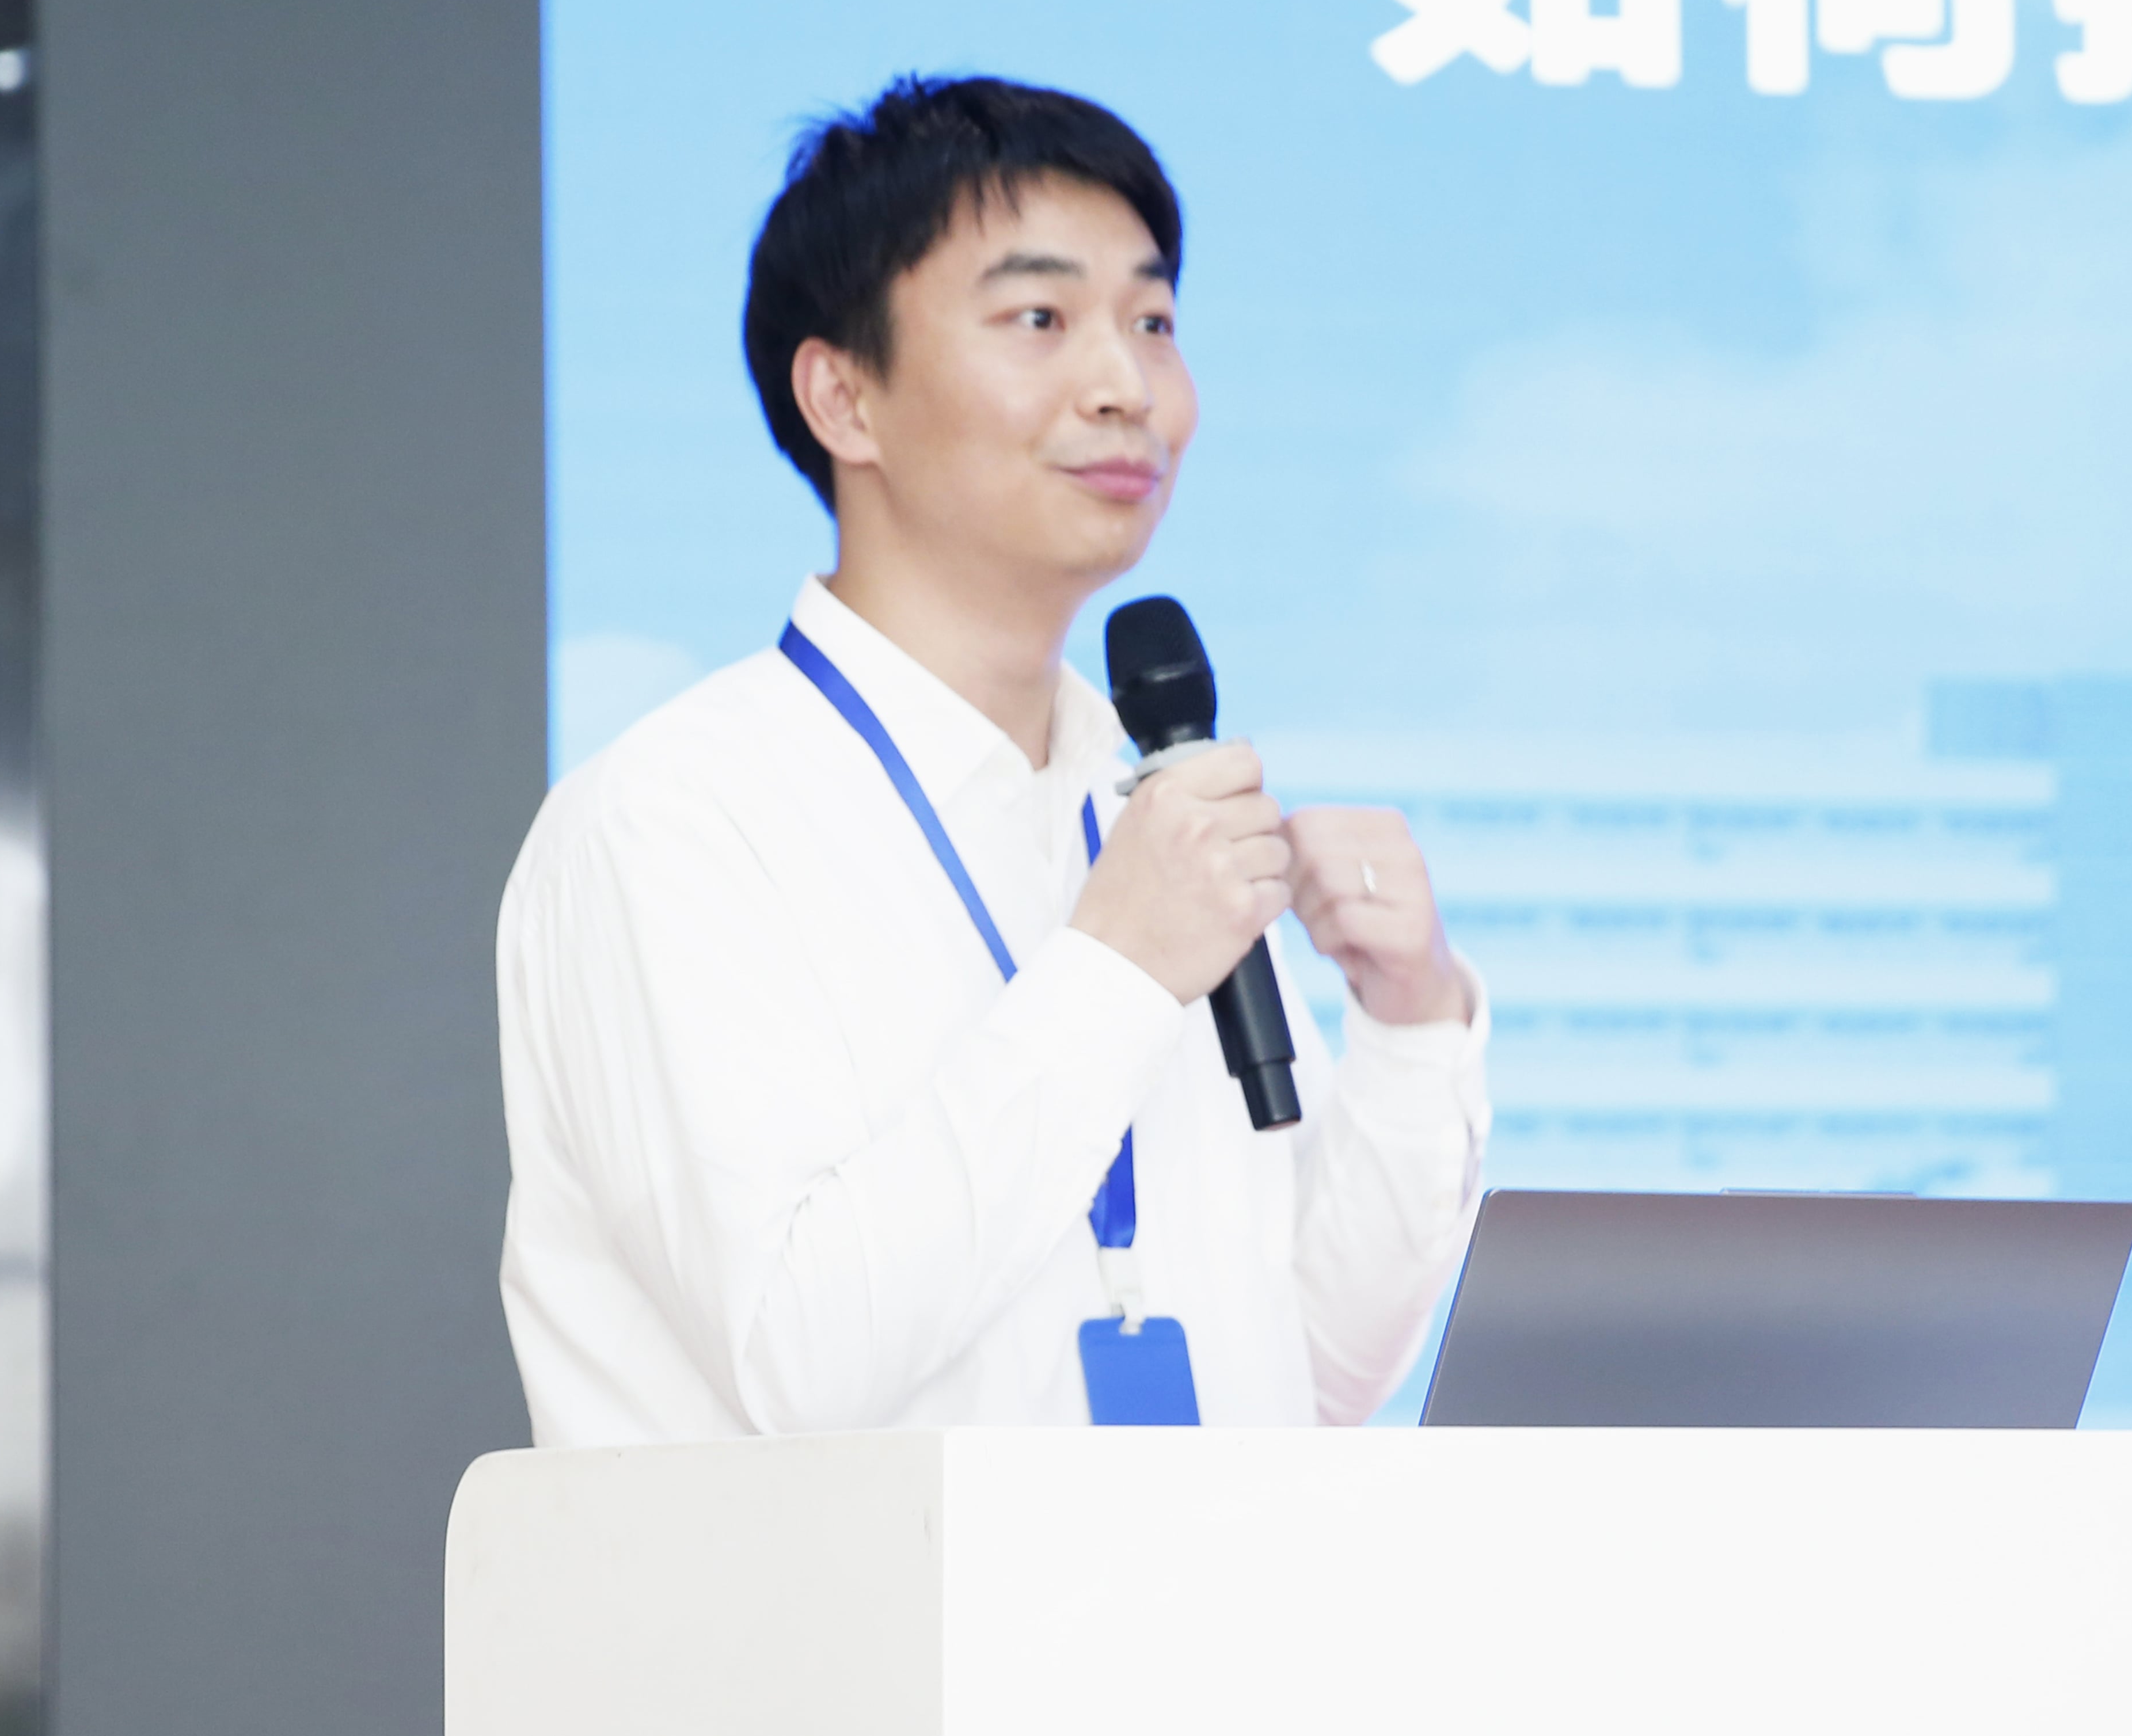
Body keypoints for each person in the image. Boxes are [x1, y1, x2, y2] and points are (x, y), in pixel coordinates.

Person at [494, 75, 1489, 1442]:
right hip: (836, 1593)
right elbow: (795, 1361)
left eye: (1153, 323)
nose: (1127, 388)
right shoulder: (675, 819)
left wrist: (1412, 1021)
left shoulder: (1148, 810)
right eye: (1041, 320)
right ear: (845, 397)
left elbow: (1306, 1373)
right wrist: (1118, 971)